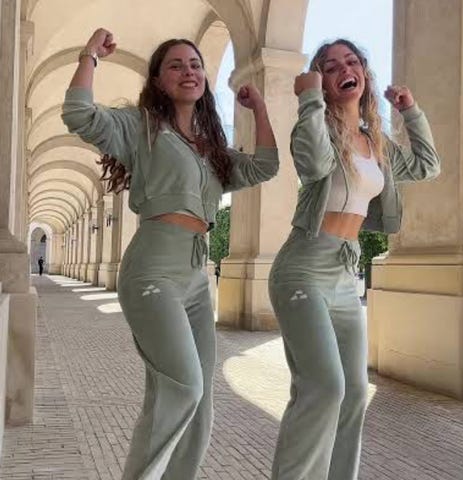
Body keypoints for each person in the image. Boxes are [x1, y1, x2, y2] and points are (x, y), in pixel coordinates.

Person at [62, 28, 278, 480]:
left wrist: (259, 108)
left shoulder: (211, 148)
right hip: (152, 270)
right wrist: (89, 55)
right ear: (158, 80)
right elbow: (79, 113)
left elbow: (264, 166)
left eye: (196, 65)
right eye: (176, 65)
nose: (189, 71)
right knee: (184, 387)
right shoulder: (141, 127)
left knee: (200, 404)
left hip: (197, 275)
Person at [268, 39, 440, 480]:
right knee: (324, 388)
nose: (345, 69)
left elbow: (427, 165)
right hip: (303, 267)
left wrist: (410, 111)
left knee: (354, 393)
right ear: (322, 82)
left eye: (351, 61)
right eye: (330, 67)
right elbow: (312, 164)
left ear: (363, 72)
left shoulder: (375, 142)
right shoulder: (315, 127)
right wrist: (309, 99)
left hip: (345, 273)